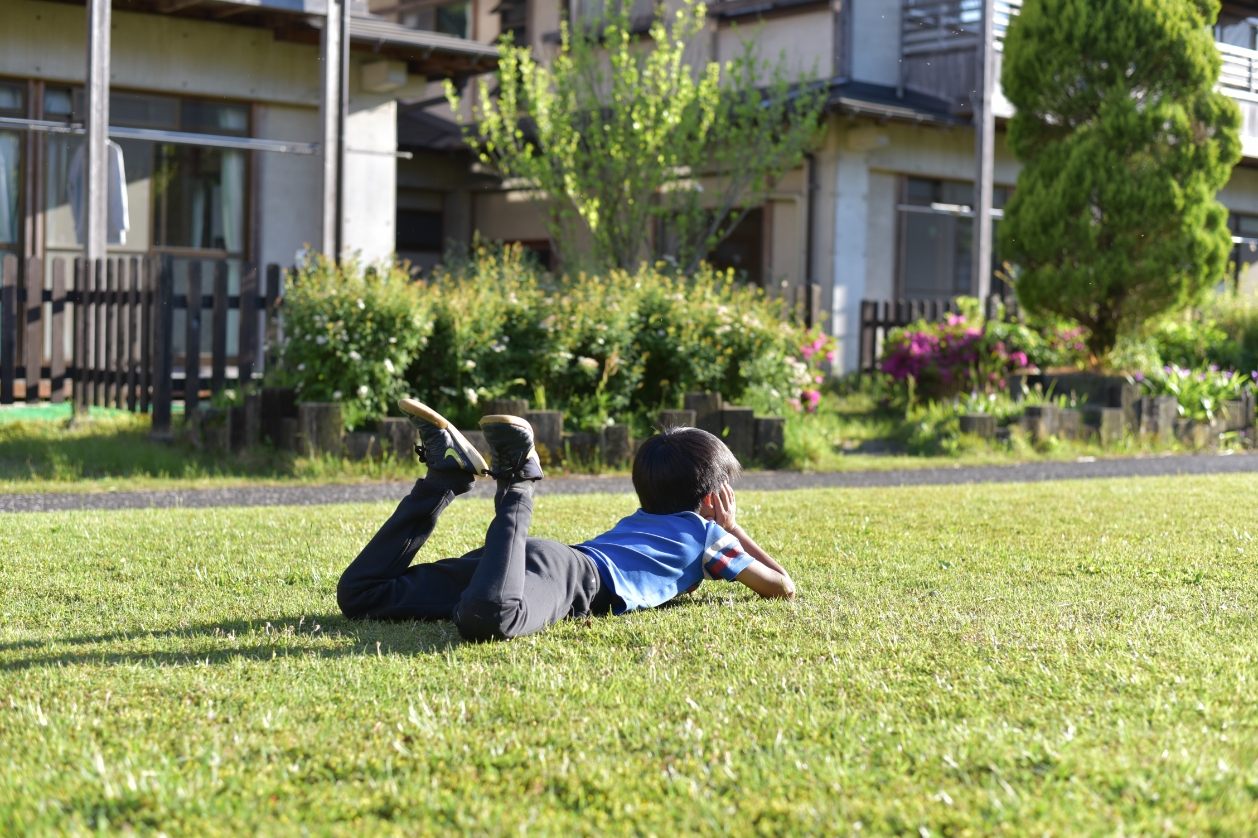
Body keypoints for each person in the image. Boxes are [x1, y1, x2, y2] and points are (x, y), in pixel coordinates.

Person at [336, 399, 795, 642]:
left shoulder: (640, 520)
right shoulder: (706, 534)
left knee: (362, 595)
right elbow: (782, 586)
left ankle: (442, 478)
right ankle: (519, 478)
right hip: (571, 575)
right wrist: (731, 527)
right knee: (489, 620)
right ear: (716, 497)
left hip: (539, 560)